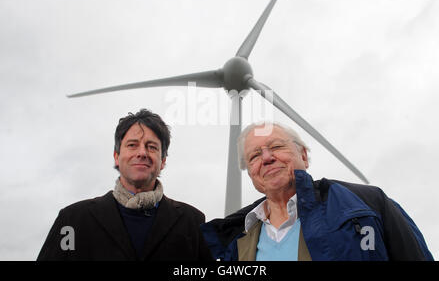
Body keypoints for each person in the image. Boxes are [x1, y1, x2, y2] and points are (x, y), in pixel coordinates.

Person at [201, 122, 434, 261]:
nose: (267, 158)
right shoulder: (234, 238)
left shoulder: (368, 205)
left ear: (303, 156)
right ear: (250, 172)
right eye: (254, 156)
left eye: (277, 147)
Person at [38, 109, 213, 261]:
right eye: (132, 145)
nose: (142, 152)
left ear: (163, 161)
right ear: (116, 156)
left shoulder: (193, 223)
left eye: (152, 147)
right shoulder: (72, 221)